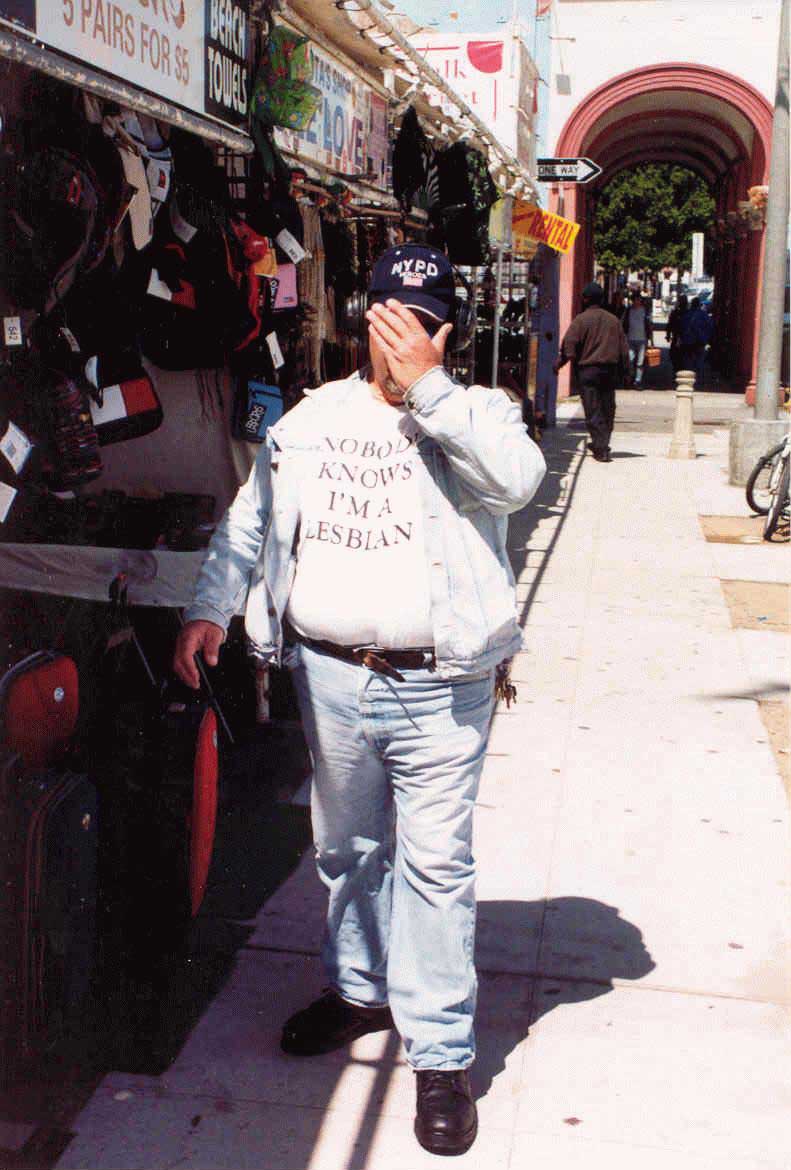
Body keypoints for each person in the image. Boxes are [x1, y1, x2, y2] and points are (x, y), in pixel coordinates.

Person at [172, 244, 546, 1158]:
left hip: (441, 684)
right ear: (360, 320)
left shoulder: (479, 412)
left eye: (424, 323)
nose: (405, 337)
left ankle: (440, 1054)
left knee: (435, 866)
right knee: (344, 850)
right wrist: (210, 607)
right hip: (331, 678)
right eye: (390, 319)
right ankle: (358, 988)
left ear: (449, 330)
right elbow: (251, 520)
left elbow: (516, 481)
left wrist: (430, 390)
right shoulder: (312, 418)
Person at [553, 281, 630, 462]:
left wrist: (559, 364)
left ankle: (600, 448)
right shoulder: (613, 321)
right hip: (609, 371)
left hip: (588, 371)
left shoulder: (581, 320)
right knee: (607, 409)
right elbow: (624, 350)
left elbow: (569, 346)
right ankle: (602, 444)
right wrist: (627, 373)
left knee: (593, 410)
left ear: (586, 299)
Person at [678, 296, 713, 388]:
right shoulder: (704, 315)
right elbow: (710, 327)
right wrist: (706, 338)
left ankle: (689, 378)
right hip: (700, 341)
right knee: (699, 360)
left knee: (688, 360)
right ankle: (697, 378)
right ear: (699, 305)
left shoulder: (686, 314)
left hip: (687, 340)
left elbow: (680, 327)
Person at [622, 290, 653, 387]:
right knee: (630, 360)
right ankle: (631, 377)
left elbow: (649, 325)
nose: (636, 302)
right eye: (635, 300)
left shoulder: (645, 311)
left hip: (642, 340)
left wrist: (651, 340)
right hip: (630, 339)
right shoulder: (628, 311)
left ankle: (638, 381)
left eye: (638, 300)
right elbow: (623, 323)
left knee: (640, 362)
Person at [665, 294, 688, 375]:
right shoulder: (687, 312)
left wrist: (668, 335)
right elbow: (670, 325)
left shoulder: (676, 312)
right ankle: (679, 369)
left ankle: (678, 369)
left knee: (675, 354)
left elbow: (669, 325)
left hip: (679, 337)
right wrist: (668, 334)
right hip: (683, 337)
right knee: (679, 355)